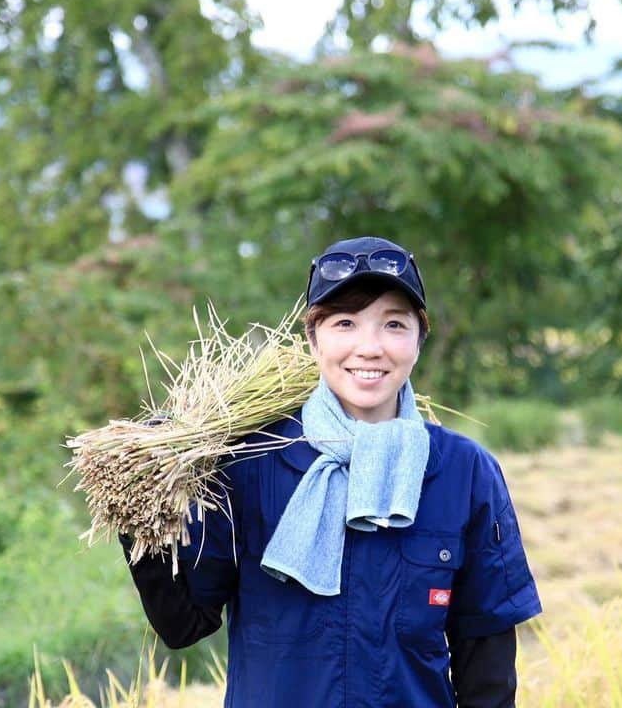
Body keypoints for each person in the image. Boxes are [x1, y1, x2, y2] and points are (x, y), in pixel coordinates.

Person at [121, 236, 542, 707]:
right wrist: (141, 503)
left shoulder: (463, 473)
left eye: (394, 325)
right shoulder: (246, 462)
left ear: (419, 341)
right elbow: (184, 624)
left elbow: (486, 664)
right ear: (313, 338)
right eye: (345, 323)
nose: (370, 347)